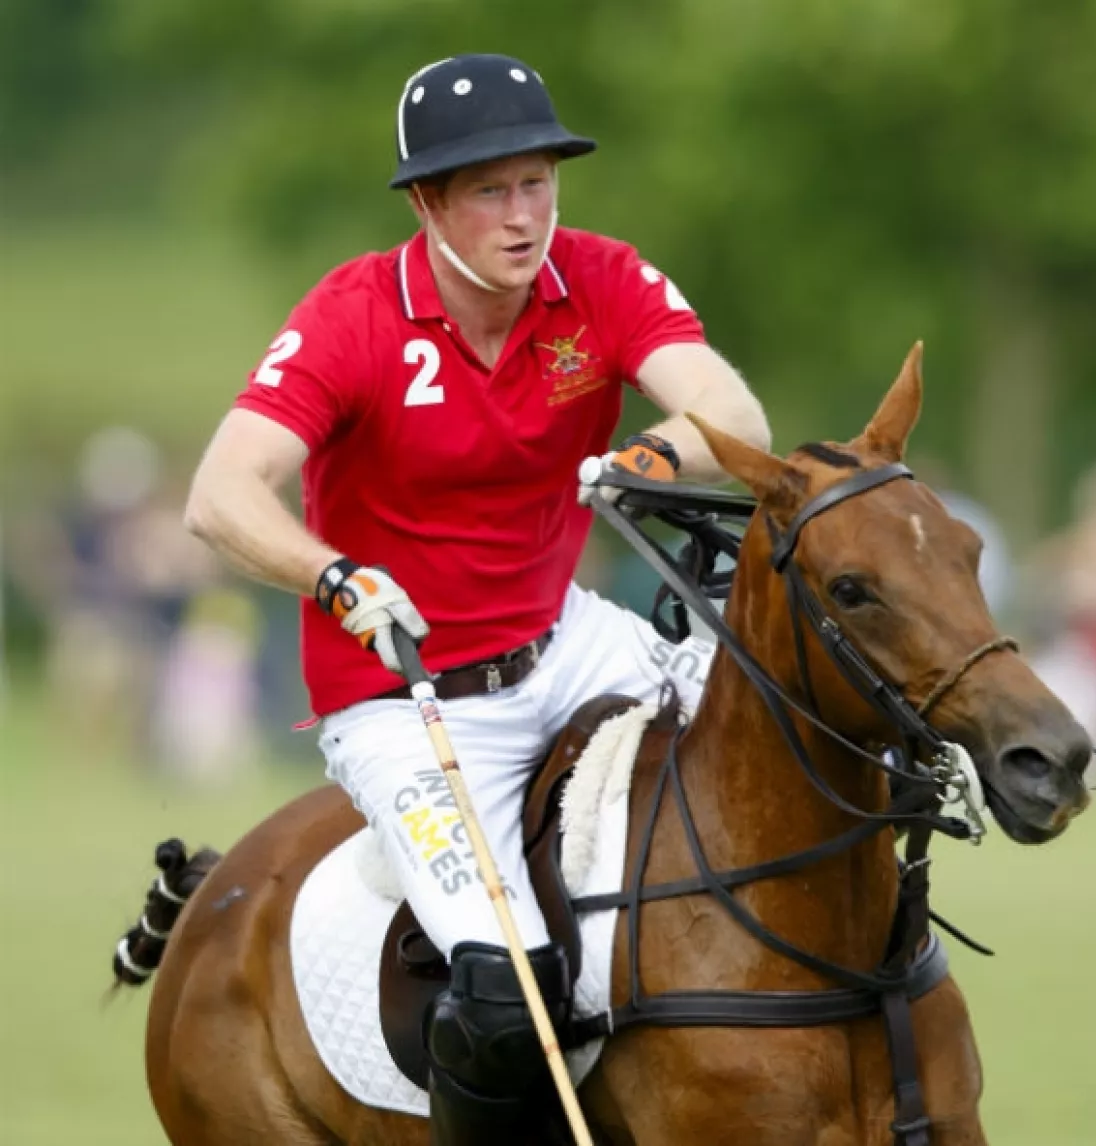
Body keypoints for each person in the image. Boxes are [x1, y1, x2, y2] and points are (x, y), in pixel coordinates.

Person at [184, 53, 769, 1145]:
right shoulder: (354, 315)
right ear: (428, 203)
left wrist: (653, 455)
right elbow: (220, 494)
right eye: (491, 191)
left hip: (569, 640)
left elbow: (731, 410)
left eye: (538, 183)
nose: (523, 217)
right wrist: (332, 575)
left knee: (784, 751)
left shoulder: (599, 279)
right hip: (408, 697)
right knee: (507, 992)